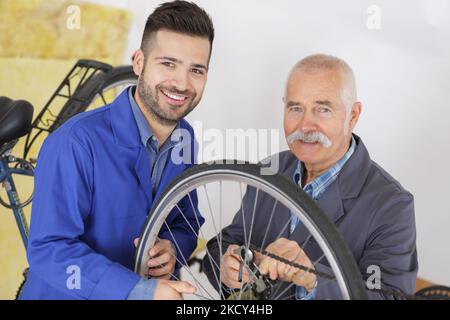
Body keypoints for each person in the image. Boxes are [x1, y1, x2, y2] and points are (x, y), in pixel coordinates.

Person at [20, 0, 214, 300]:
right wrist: (139, 291)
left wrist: (173, 248)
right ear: (139, 62)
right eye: (168, 63)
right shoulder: (75, 141)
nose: (182, 83)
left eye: (196, 70)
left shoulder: (184, 137)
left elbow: (185, 221)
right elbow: (50, 250)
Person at [204, 54, 418, 299]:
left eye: (323, 109)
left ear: (353, 115)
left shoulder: (391, 205)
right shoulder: (269, 170)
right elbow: (227, 242)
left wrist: (312, 279)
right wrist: (225, 265)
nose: (305, 126)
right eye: (295, 108)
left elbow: (391, 297)